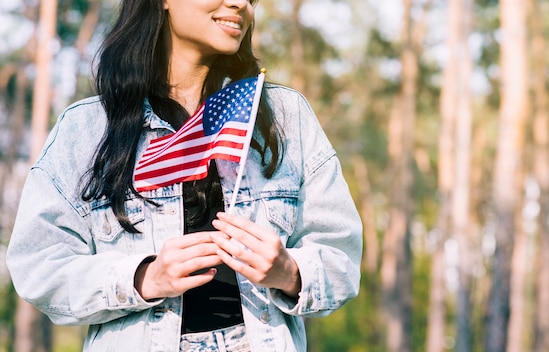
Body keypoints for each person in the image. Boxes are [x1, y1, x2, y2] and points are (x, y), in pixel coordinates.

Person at [6, 0, 363, 351]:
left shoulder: (285, 116)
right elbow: (39, 265)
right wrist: (144, 278)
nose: (240, 4)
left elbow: (341, 260)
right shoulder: (85, 129)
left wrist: (288, 271)